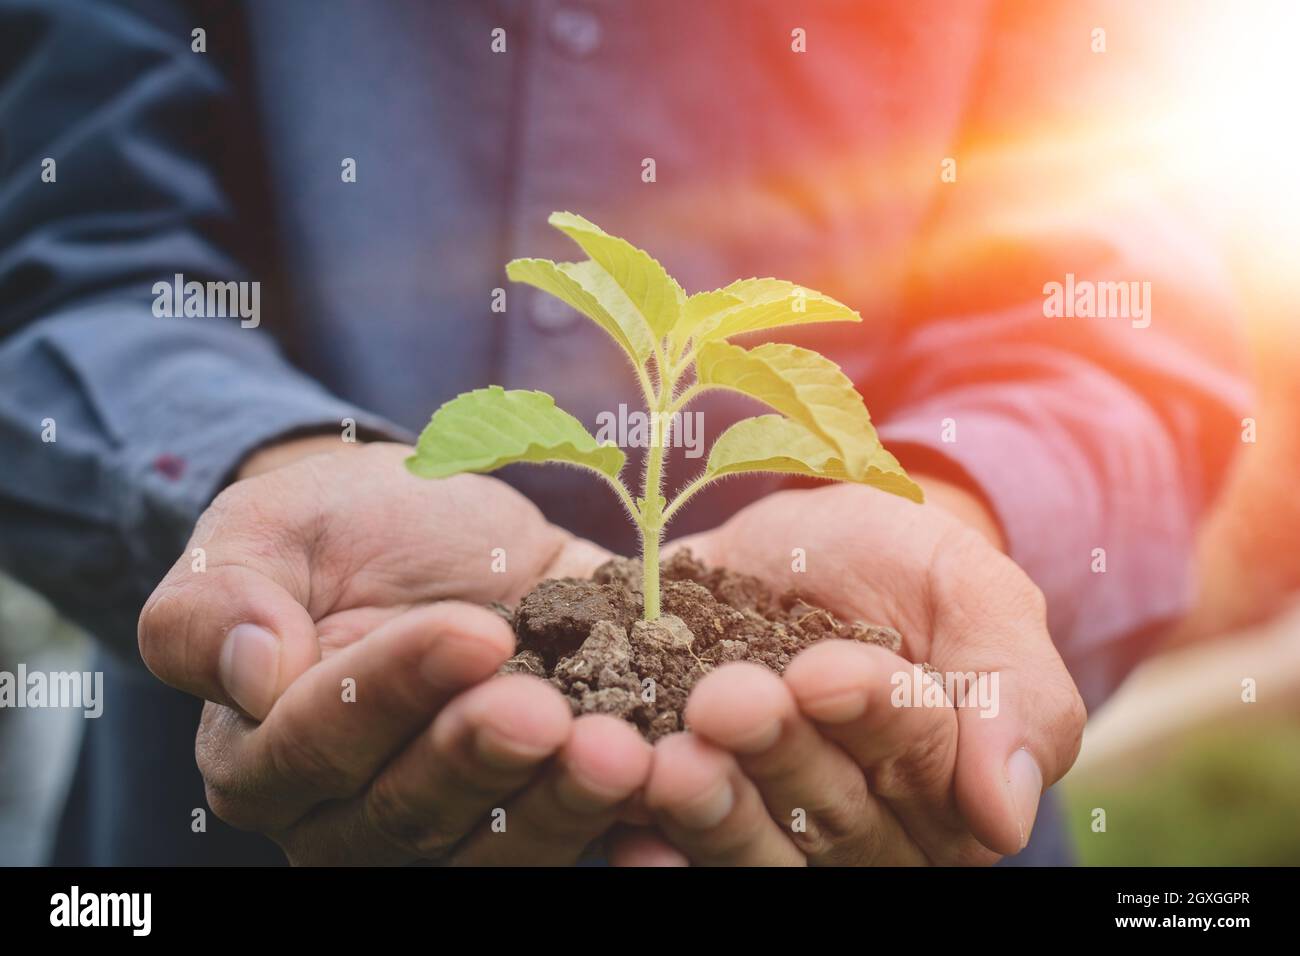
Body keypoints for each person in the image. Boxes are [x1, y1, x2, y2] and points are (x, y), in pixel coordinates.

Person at [0, 0, 1246, 865]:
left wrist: (955, 513)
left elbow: (1119, 325)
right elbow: (69, 256)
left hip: (885, 824)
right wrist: (271, 465)